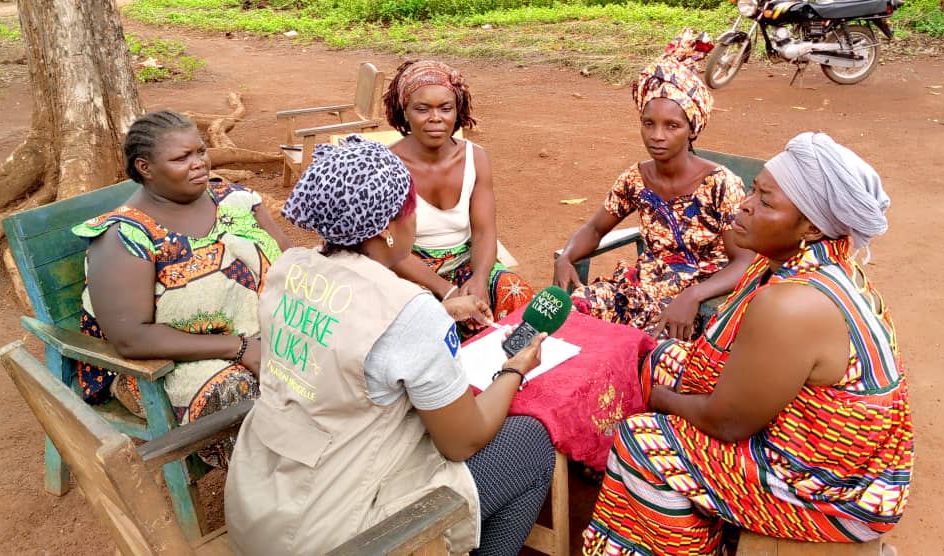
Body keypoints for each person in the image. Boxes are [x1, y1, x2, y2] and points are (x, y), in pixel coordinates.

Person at [584, 132, 914, 555]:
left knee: (640, 440)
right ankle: (694, 511)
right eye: (754, 189)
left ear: (811, 225)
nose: (745, 204)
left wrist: (658, 399)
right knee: (661, 357)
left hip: (832, 489)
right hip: (816, 440)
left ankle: (686, 541)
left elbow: (727, 424)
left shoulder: (792, 303)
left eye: (766, 201)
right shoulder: (814, 262)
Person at [224, 136, 556, 556]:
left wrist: (439, 315)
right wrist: (515, 368)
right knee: (529, 443)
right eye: (411, 208)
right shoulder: (408, 312)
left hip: (261, 505)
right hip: (339, 533)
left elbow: (342, 336)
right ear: (387, 227)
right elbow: (462, 442)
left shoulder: (290, 269)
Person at [73, 110, 290, 464]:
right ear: (145, 168)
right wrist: (241, 347)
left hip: (264, 335)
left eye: (201, 152)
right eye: (181, 158)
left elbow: (289, 263)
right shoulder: (124, 237)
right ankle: (279, 494)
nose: (199, 164)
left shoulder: (234, 201)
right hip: (169, 364)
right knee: (243, 397)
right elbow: (131, 339)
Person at [554, 29, 754, 339]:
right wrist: (567, 256)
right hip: (640, 287)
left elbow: (743, 260)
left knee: (641, 349)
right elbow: (594, 229)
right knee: (564, 316)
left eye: (671, 125)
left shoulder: (721, 184)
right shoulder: (636, 178)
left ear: (692, 129)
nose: (657, 135)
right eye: (649, 123)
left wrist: (695, 295)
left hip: (695, 299)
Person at [383, 59, 534, 326]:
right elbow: (391, 250)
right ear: (404, 110)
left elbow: (484, 232)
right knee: (419, 322)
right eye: (422, 109)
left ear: (457, 110)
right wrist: (448, 292)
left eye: (445, 108)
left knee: (515, 293)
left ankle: (515, 366)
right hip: (411, 273)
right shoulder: (387, 166)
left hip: (466, 261)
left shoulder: (476, 158)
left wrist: (479, 281)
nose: (436, 118)